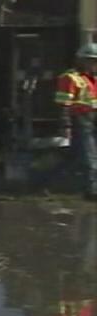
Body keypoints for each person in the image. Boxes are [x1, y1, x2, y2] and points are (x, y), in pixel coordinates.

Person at [55, 43, 97, 201]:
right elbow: (64, 104)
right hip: (81, 120)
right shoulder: (70, 78)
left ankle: (53, 182)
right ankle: (92, 192)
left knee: (77, 157)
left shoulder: (93, 78)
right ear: (82, 60)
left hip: (93, 120)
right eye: (91, 60)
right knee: (90, 158)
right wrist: (65, 123)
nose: (94, 64)